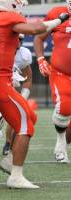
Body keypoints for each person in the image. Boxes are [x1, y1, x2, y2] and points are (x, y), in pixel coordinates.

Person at [0, 0, 69, 189]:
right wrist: (59, 19)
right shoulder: (9, 17)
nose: (21, 9)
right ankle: (15, 175)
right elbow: (36, 29)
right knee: (25, 123)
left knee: (30, 115)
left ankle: (10, 160)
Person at [34, 1, 71, 164]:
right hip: (61, 72)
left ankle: (62, 145)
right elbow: (39, 37)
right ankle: (61, 142)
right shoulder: (58, 12)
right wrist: (41, 58)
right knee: (65, 108)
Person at [0, 34, 32, 173]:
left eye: (20, 39)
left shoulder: (23, 55)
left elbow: (28, 79)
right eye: (14, 38)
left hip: (10, 91)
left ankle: (9, 144)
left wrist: (23, 96)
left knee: (18, 119)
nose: (17, 41)